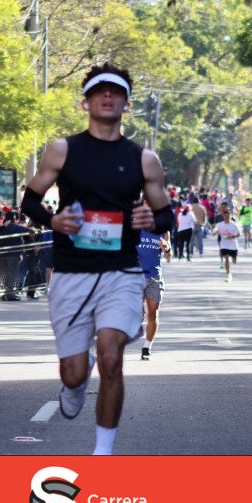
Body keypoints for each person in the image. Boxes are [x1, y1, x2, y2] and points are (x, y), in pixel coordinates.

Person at [19, 62, 172, 455]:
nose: (107, 96)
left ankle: (102, 452)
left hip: (121, 272)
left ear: (127, 104)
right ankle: (75, 378)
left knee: (111, 357)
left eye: (116, 92)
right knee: (73, 373)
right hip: (72, 272)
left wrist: (150, 219)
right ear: (84, 102)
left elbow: (166, 215)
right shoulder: (62, 150)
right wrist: (53, 219)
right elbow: (30, 200)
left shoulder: (144, 159)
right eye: (99, 91)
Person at [136, 220, 171, 360]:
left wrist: (166, 248)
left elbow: (168, 256)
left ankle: (147, 348)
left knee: (153, 314)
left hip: (154, 277)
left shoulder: (163, 231)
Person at [215, 206, 241, 282]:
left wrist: (232, 237)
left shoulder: (234, 225)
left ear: (231, 216)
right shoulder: (220, 225)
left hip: (233, 246)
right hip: (224, 245)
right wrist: (216, 232)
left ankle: (234, 259)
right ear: (223, 216)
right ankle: (229, 274)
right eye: (225, 216)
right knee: (226, 258)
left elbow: (239, 234)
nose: (227, 217)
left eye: (228, 216)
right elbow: (216, 231)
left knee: (234, 261)